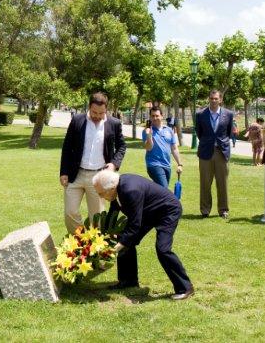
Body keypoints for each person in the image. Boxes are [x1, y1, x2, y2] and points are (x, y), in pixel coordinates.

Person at [92, 170, 194, 299]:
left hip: (167, 211)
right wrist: (104, 235)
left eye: (101, 193)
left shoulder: (130, 190)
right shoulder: (117, 187)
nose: (101, 197)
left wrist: (115, 248)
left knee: (163, 249)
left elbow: (134, 225)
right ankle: (128, 281)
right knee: (124, 238)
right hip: (149, 211)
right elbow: (114, 211)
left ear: (111, 188)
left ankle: (185, 288)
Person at [60, 92, 127, 233]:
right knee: (70, 212)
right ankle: (80, 240)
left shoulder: (114, 123)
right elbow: (67, 146)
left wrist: (114, 164)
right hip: (75, 175)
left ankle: (93, 244)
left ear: (106, 109)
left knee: (97, 219)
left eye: (101, 113)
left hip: (98, 177)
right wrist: (64, 172)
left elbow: (122, 146)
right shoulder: (77, 120)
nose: (97, 116)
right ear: (89, 107)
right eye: (94, 112)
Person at [195, 90, 234, 218]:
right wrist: (208, 142)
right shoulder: (200, 114)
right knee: (205, 183)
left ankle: (223, 210)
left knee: (222, 183)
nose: (213, 101)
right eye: (211, 98)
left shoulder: (228, 114)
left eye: (216, 98)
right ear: (209, 99)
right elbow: (199, 132)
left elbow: (229, 133)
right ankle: (205, 210)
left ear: (220, 100)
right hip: (205, 152)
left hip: (221, 152)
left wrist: (220, 142)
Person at [142, 106, 183, 188]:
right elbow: (148, 148)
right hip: (154, 165)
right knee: (165, 189)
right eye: (152, 116)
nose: (155, 118)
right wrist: (149, 135)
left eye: (157, 115)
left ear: (162, 116)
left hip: (167, 165)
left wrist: (179, 164)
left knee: (160, 191)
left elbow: (174, 149)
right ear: (150, 117)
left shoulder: (169, 130)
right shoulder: (146, 131)